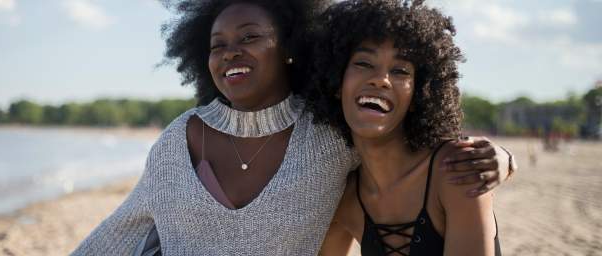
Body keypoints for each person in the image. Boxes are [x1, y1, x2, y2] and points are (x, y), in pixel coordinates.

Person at [72, 0, 515, 255]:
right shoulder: (176, 140)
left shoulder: (328, 136)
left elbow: (402, 141)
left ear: (290, 48)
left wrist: (502, 158)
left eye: (249, 37)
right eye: (217, 45)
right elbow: (118, 235)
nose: (231, 53)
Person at [310, 1, 502, 255]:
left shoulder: (457, 170)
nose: (381, 79)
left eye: (400, 70)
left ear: (418, 95)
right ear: (336, 82)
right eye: (364, 63)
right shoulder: (345, 200)